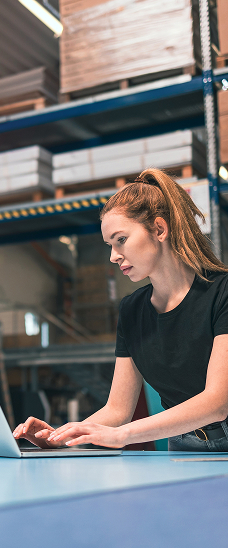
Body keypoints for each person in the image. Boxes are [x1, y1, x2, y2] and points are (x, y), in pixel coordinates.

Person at [13, 168, 228, 452]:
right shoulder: (131, 310)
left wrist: (122, 435)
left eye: (121, 240)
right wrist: (61, 439)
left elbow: (217, 403)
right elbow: (117, 410)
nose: (114, 256)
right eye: (109, 245)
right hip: (184, 443)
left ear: (159, 229)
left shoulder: (221, 293)